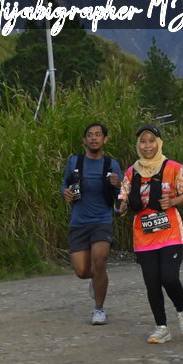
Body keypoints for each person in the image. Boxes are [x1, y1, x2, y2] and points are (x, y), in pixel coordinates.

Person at [118, 124, 183, 344]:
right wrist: (121, 206)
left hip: (170, 233)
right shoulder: (131, 172)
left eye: (151, 141)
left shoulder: (173, 168)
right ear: (138, 145)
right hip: (143, 236)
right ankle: (162, 327)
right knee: (152, 283)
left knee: (169, 278)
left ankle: (182, 310)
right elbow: (123, 197)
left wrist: (173, 201)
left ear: (159, 143)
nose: (147, 146)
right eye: (143, 141)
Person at [62, 123, 122, 325]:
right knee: (81, 271)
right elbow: (65, 184)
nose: (94, 138)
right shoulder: (74, 161)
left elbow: (121, 195)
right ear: (84, 140)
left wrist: (118, 185)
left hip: (102, 220)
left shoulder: (111, 164)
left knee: (99, 260)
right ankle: (97, 280)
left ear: (105, 139)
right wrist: (65, 193)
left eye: (98, 135)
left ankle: (99, 309)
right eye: (90, 135)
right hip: (79, 221)